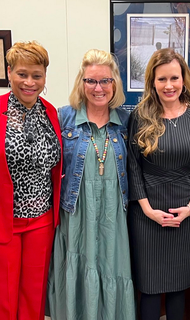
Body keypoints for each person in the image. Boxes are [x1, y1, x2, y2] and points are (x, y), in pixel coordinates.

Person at [0, 40, 62, 320]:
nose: (29, 82)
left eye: (37, 75)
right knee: (3, 302)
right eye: (22, 74)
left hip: (41, 221)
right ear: (9, 72)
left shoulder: (51, 112)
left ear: (45, 76)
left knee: (33, 299)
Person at [47, 49, 135, 320]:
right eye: (91, 81)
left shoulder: (127, 121)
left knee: (111, 265)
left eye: (105, 81)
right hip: (76, 212)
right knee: (77, 264)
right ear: (81, 83)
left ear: (114, 84)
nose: (98, 88)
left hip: (113, 214)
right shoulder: (64, 117)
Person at [127, 48, 190, 320]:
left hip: (186, 213)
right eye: (162, 79)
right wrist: (149, 210)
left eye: (174, 78)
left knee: (179, 286)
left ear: (184, 79)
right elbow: (133, 168)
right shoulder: (140, 115)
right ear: (152, 81)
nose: (169, 85)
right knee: (149, 287)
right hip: (146, 214)